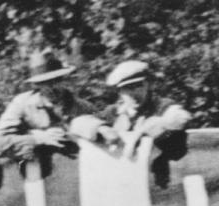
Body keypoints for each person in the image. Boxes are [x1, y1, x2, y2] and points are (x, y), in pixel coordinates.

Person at [74, 59, 192, 187]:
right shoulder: (114, 112)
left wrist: (144, 130)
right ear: (119, 92)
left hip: (163, 184)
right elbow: (78, 122)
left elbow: (181, 117)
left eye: (138, 86)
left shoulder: (161, 106)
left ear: (148, 84)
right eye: (126, 89)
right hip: (125, 185)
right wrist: (100, 128)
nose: (133, 94)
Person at [0, 50, 78, 163]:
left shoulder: (76, 103)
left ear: (64, 79)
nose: (51, 87)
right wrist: (39, 137)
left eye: (56, 80)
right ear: (37, 85)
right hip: (38, 165)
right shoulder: (22, 103)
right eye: (44, 82)